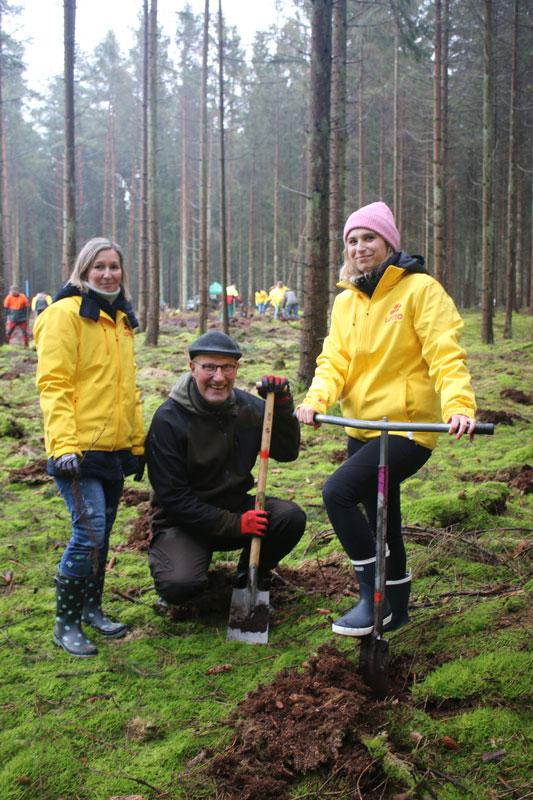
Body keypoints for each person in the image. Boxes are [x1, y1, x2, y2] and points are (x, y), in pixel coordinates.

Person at [296, 201, 477, 637]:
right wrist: (316, 399)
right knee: (382, 519)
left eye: (369, 238)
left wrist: (459, 406)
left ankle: (369, 593)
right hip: (360, 428)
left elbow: (444, 353)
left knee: (337, 492)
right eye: (352, 240)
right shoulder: (346, 302)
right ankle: (396, 607)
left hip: (407, 429)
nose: (360, 248)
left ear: (389, 243)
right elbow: (333, 360)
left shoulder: (420, 290)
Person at [34, 237, 145, 657]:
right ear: (83, 270)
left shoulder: (119, 320)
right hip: (77, 448)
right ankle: (65, 624)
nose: (107, 273)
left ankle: (92, 608)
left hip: (113, 448)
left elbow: (127, 388)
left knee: (103, 534)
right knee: (89, 531)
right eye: (99, 266)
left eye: (114, 266)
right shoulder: (63, 315)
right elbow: (54, 384)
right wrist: (62, 445)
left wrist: (135, 444)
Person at [145, 330, 306, 605]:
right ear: (192, 368)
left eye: (227, 367)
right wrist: (236, 524)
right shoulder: (168, 420)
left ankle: (248, 578)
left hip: (234, 507)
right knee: (179, 585)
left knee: (289, 517)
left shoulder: (251, 408)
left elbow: (287, 453)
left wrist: (281, 408)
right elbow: (174, 499)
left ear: (237, 369)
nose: (218, 377)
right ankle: (184, 570)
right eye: (209, 367)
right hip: (183, 523)